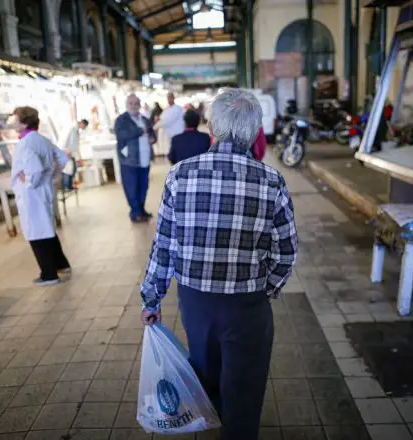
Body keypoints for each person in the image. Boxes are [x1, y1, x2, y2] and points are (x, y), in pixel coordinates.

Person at [140, 88, 298, 440]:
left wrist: (151, 299)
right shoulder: (271, 181)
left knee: (207, 374)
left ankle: (213, 421)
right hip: (248, 305)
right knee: (244, 388)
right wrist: (266, 287)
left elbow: (164, 243)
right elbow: (286, 251)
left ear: (213, 126)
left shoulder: (181, 175)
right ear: (255, 131)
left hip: (197, 304)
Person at [10, 106, 71, 286]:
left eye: (15, 120)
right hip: (44, 190)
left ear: (24, 122)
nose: (13, 124)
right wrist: (52, 176)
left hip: (31, 194)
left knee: (36, 232)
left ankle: (49, 274)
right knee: (46, 227)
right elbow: (63, 159)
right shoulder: (43, 139)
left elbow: (35, 168)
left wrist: (29, 181)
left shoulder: (24, 143)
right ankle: (62, 264)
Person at [115, 94, 157, 223]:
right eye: (131, 103)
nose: (133, 106)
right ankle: (135, 213)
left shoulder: (144, 119)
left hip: (144, 160)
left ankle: (141, 210)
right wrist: (139, 131)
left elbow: (152, 134)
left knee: (143, 187)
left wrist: (152, 138)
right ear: (127, 105)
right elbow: (121, 134)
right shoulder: (121, 120)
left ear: (139, 105)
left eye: (136, 103)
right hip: (129, 161)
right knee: (131, 187)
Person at [58, 119, 89, 190]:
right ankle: (66, 186)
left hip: (69, 151)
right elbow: (72, 143)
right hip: (66, 151)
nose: (83, 128)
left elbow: (74, 144)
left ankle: (69, 186)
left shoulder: (75, 129)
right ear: (82, 123)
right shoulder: (73, 129)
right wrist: (76, 156)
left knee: (72, 169)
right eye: (84, 126)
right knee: (68, 170)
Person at [153, 93, 184, 157]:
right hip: (168, 134)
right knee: (171, 151)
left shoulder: (177, 108)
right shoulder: (167, 109)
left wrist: (155, 127)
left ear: (173, 98)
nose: (169, 99)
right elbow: (162, 118)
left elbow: (167, 121)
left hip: (176, 134)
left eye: (170, 98)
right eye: (168, 98)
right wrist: (158, 119)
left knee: (176, 152)